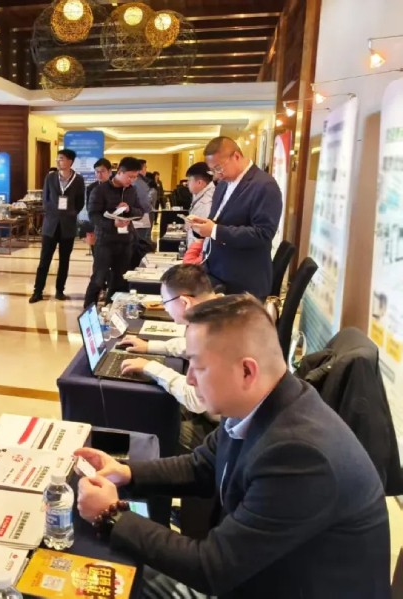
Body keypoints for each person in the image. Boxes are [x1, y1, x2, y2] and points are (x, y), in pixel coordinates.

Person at [75, 294, 390, 599]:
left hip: (273, 586)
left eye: (198, 366)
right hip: (261, 574)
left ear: (246, 371)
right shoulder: (259, 403)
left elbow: (212, 568)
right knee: (118, 565)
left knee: (108, 577)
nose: (191, 379)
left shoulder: (301, 455)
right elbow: (201, 465)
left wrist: (111, 515)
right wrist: (125, 472)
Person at [190, 137, 282, 300]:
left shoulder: (264, 185)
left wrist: (215, 230)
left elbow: (263, 233)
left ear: (236, 156)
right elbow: (217, 221)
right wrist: (201, 227)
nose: (217, 175)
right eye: (212, 171)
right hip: (216, 274)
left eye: (219, 168)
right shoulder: (223, 185)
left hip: (243, 280)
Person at [118, 264, 216, 415]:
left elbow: (196, 400)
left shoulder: (215, 334)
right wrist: (149, 346)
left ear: (184, 302)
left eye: (165, 302)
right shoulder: (221, 311)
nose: (165, 308)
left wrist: (150, 367)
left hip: (216, 421)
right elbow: (188, 346)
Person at [83, 157, 143, 308]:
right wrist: (112, 223)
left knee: (120, 279)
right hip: (105, 241)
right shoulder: (100, 190)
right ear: (120, 172)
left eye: (135, 177)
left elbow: (140, 212)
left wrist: (129, 209)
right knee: (99, 278)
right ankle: (88, 309)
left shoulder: (132, 190)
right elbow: (93, 215)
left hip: (125, 241)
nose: (132, 180)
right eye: (130, 176)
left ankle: (111, 309)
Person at [29, 148, 85, 303]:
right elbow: (45, 199)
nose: (58, 161)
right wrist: (53, 212)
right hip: (50, 225)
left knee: (64, 260)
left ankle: (60, 290)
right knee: (44, 260)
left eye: (61, 158)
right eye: (58, 158)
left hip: (68, 225)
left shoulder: (78, 180)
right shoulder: (50, 177)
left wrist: (71, 213)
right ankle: (37, 291)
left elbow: (80, 201)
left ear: (70, 161)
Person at [79, 158, 112, 251]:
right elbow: (89, 208)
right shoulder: (91, 187)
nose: (99, 174)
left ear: (109, 172)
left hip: (111, 225)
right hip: (96, 225)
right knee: (97, 253)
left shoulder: (115, 186)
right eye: (97, 172)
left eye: (102, 171)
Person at [184, 162, 215, 248]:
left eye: (189, 180)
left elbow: (202, 236)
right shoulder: (202, 195)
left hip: (199, 250)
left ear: (199, 183)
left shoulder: (206, 202)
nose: (187, 183)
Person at [131, 159, 153, 243]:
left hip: (136, 215)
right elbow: (144, 201)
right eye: (145, 167)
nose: (146, 170)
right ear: (141, 169)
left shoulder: (136, 181)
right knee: (141, 241)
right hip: (141, 216)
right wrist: (149, 209)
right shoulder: (139, 182)